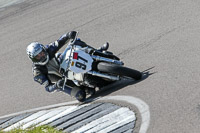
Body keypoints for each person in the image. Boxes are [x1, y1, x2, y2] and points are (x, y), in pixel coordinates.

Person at [26, 31, 109, 102]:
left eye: (42, 53)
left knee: (76, 42)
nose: (42, 56)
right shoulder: (37, 72)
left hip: (64, 64)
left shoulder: (48, 49)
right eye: (38, 56)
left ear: (43, 49)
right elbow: (47, 88)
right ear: (33, 59)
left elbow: (59, 41)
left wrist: (68, 35)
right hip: (62, 81)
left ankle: (96, 52)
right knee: (81, 96)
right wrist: (56, 85)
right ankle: (85, 88)